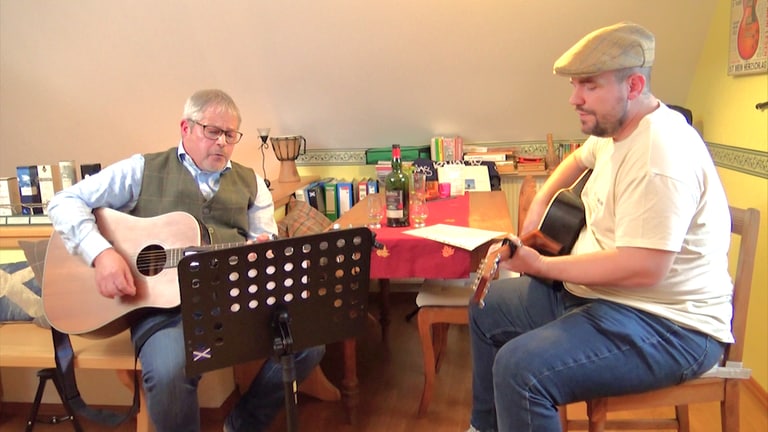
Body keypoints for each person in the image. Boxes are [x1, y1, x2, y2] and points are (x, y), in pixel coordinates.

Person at [466, 22, 732, 432]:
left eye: (588, 85)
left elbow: (644, 268)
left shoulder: (660, 154)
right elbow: (578, 161)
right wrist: (537, 207)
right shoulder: (615, 130)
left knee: (522, 370)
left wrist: (542, 265)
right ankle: (484, 427)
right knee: (485, 307)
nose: (574, 99)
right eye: (575, 85)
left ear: (634, 85)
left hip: (668, 325)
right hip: (599, 298)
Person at [48, 89, 325, 432]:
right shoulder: (141, 170)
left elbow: (261, 244)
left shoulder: (252, 184)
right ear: (186, 128)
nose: (222, 143)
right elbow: (63, 202)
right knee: (168, 372)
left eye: (230, 135)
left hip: (230, 302)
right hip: (162, 312)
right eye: (213, 131)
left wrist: (261, 253)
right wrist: (102, 254)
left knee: (310, 341)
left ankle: (241, 425)